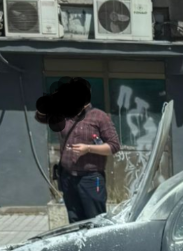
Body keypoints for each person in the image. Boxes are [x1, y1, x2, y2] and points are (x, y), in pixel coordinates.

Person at [35, 78, 121, 223]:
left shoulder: (99, 116)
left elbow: (114, 146)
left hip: (91, 178)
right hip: (68, 177)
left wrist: (88, 148)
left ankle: (97, 246)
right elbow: (41, 117)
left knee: (95, 219)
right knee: (74, 220)